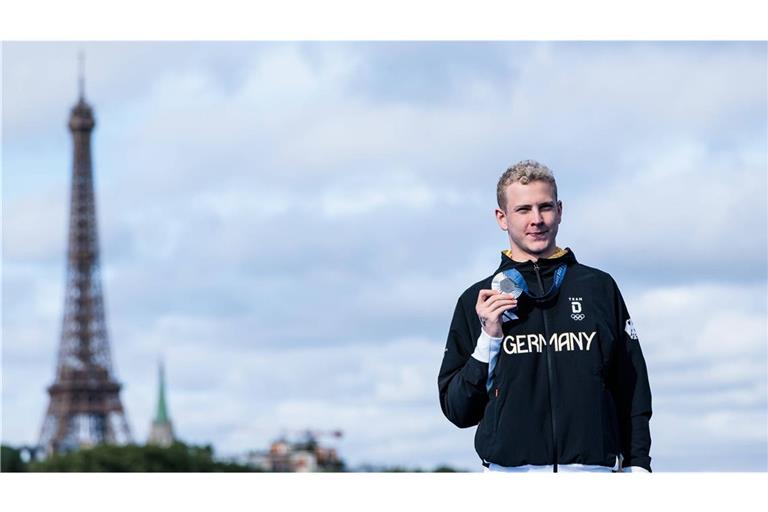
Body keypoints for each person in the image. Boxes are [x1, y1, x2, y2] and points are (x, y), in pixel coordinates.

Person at [437, 160, 652, 473]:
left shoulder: (599, 288)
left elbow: (632, 386)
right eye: (523, 209)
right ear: (502, 217)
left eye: (545, 207)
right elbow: (459, 411)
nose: (536, 220)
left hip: (594, 475)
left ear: (560, 210)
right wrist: (489, 338)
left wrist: (639, 466)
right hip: (509, 479)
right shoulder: (477, 300)